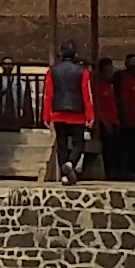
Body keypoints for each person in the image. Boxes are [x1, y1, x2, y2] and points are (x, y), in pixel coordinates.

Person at [42, 41, 94, 185]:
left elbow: (48, 95)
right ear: (75, 54)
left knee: (62, 143)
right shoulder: (82, 72)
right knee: (79, 143)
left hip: (58, 112)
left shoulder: (52, 71)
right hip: (77, 113)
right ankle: (70, 164)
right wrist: (90, 116)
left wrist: (46, 115)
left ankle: (65, 175)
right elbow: (86, 95)